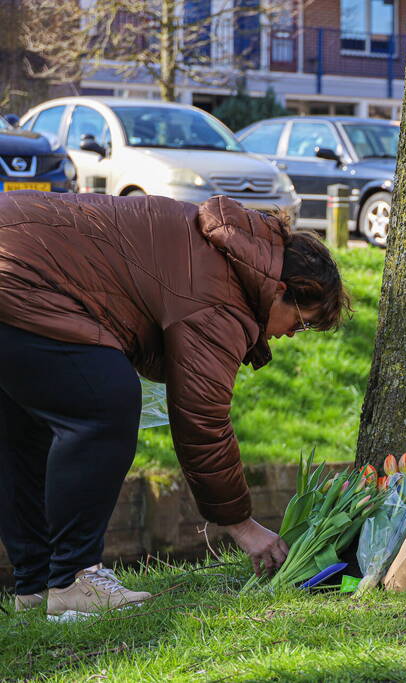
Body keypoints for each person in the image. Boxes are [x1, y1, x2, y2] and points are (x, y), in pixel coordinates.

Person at [0, 191, 349, 621]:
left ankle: (35, 585)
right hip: (22, 274)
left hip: (16, 255)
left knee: (22, 428)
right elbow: (201, 420)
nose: (294, 334)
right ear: (279, 290)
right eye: (303, 321)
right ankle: (75, 578)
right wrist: (242, 525)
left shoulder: (222, 248)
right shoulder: (223, 295)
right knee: (105, 403)